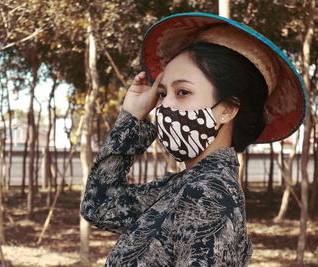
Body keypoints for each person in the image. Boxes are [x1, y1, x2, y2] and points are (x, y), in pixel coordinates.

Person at [80, 12, 306, 266]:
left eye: (183, 92)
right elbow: (100, 206)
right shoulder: (183, 185)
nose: (165, 106)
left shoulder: (208, 195)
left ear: (228, 109)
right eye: (163, 93)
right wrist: (132, 117)